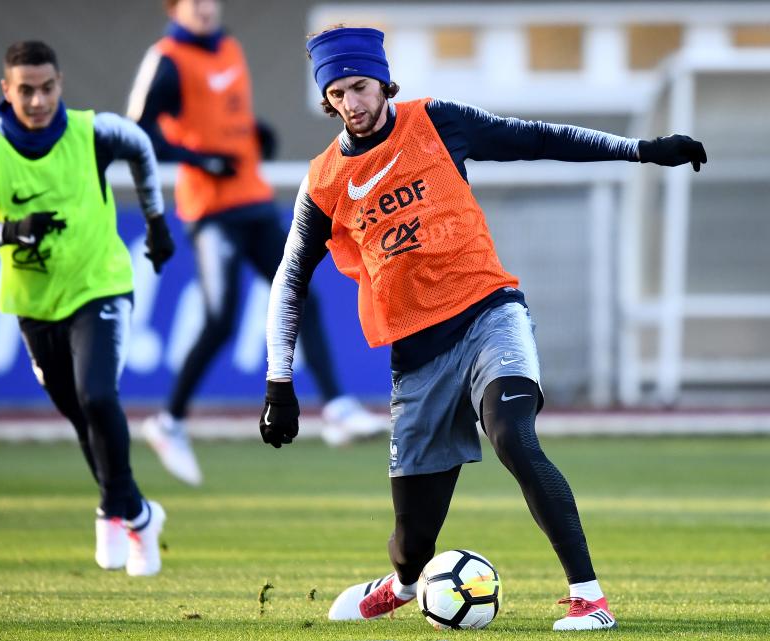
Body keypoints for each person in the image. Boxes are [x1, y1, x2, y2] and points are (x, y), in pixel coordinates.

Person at [259, 26, 707, 631]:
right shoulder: (323, 182)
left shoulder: (437, 122)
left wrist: (641, 149)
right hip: (417, 357)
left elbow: (542, 138)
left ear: (384, 81)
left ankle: (590, 598)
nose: (351, 104)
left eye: (360, 87)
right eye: (337, 94)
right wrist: (278, 383)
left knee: (512, 433)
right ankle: (402, 584)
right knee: (412, 541)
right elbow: (289, 280)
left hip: (490, 314)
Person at [127, 0, 388, 486]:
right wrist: (201, 159)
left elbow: (223, 115)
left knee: (299, 293)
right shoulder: (167, 59)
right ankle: (169, 422)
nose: (205, 8)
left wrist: (251, 132)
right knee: (221, 319)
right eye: (194, 2)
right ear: (174, 8)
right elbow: (137, 132)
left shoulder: (229, 48)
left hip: (253, 200)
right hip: (211, 212)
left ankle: (336, 408)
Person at [0, 41, 174, 576]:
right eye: (26, 90)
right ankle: (137, 513)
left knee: (98, 395)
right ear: (6, 90)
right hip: (35, 304)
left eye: (47, 88)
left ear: (60, 84)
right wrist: (8, 231)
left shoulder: (91, 132)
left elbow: (139, 143)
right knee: (78, 414)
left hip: (101, 284)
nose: (38, 100)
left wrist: (156, 222)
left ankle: (111, 509)